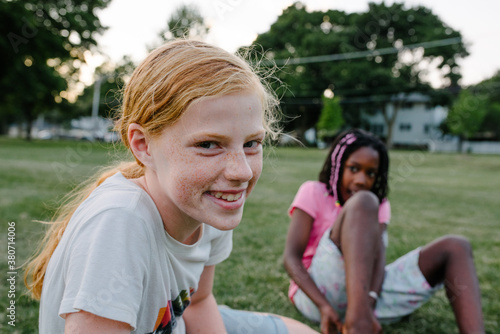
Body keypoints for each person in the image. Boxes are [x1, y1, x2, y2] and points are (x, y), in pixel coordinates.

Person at [25, 39, 318, 334]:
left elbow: (200, 302)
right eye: (208, 144)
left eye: (252, 143)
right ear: (143, 146)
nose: (241, 171)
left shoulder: (206, 205)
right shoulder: (119, 222)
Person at [283, 128, 485, 334]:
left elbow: (378, 256)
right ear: (338, 165)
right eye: (353, 168)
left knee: (456, 246)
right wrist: (324, 306)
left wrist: (370, 301)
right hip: (319, 295)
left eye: (370, 173)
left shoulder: (379, 203)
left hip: (369, 295)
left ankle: (360, 314)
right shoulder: (313, 191)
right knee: (363, 201)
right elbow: (291, 258)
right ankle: (357, 326)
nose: (361, 180)